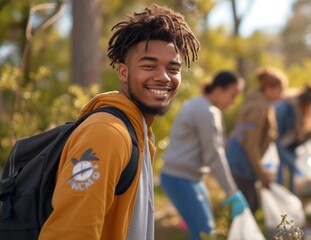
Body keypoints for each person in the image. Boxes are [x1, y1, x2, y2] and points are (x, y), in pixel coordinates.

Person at [39, 5, 200, 239]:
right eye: (149, 66)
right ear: (123, 72)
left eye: (173, 69)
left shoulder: (140, 134)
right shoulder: (107, 133)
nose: (164, 77)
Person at [160, 71, 248, 240]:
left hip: (187, 178)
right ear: (220, 90)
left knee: (204, 230)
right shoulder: (207, 111)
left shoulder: (197, 104)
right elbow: (214, 155)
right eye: (232, 95)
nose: (233, 101)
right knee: (204, 232)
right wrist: (231, 191)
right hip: (180, 178)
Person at [226, 66, 287, 213]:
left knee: (251, 205)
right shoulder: (258, 108)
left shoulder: (264, 104)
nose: (282, 95)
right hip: (240, 163)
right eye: (280, 90)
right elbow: (251, 144)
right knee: (248, 207)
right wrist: (262, 173)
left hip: (244, 162)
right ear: (268, 89)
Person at [274, 82, 311, 194]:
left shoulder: (309, 106)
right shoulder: (286, 107)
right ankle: (282, 198)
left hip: (292, 144)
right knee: (285, 173)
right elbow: (278, 130)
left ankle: (293, 195)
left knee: (295, 172)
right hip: (282, 144)